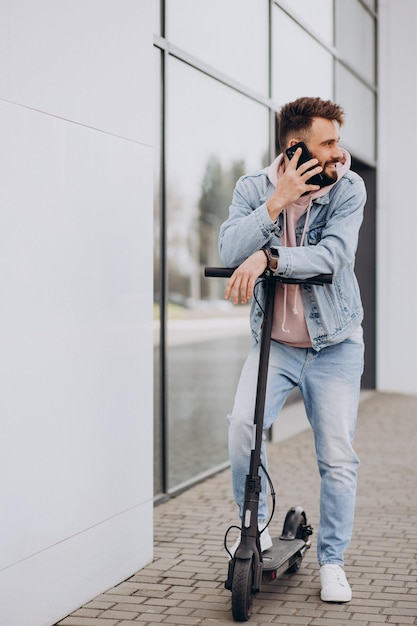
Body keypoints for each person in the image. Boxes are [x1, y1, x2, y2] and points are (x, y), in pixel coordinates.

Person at [218, 97, 366, 603]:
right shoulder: (253, 188)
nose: (337, 153)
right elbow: (226, 249)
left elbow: (333, 256)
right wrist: (274, 205)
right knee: (242, 427)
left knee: (338, 458)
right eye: (326, 143)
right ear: (293, 146)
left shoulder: (348, 187)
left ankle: (332, 561)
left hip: (335, 346)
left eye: (336, 141)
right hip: (275, 347)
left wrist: (267, 257)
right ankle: (255, 528)